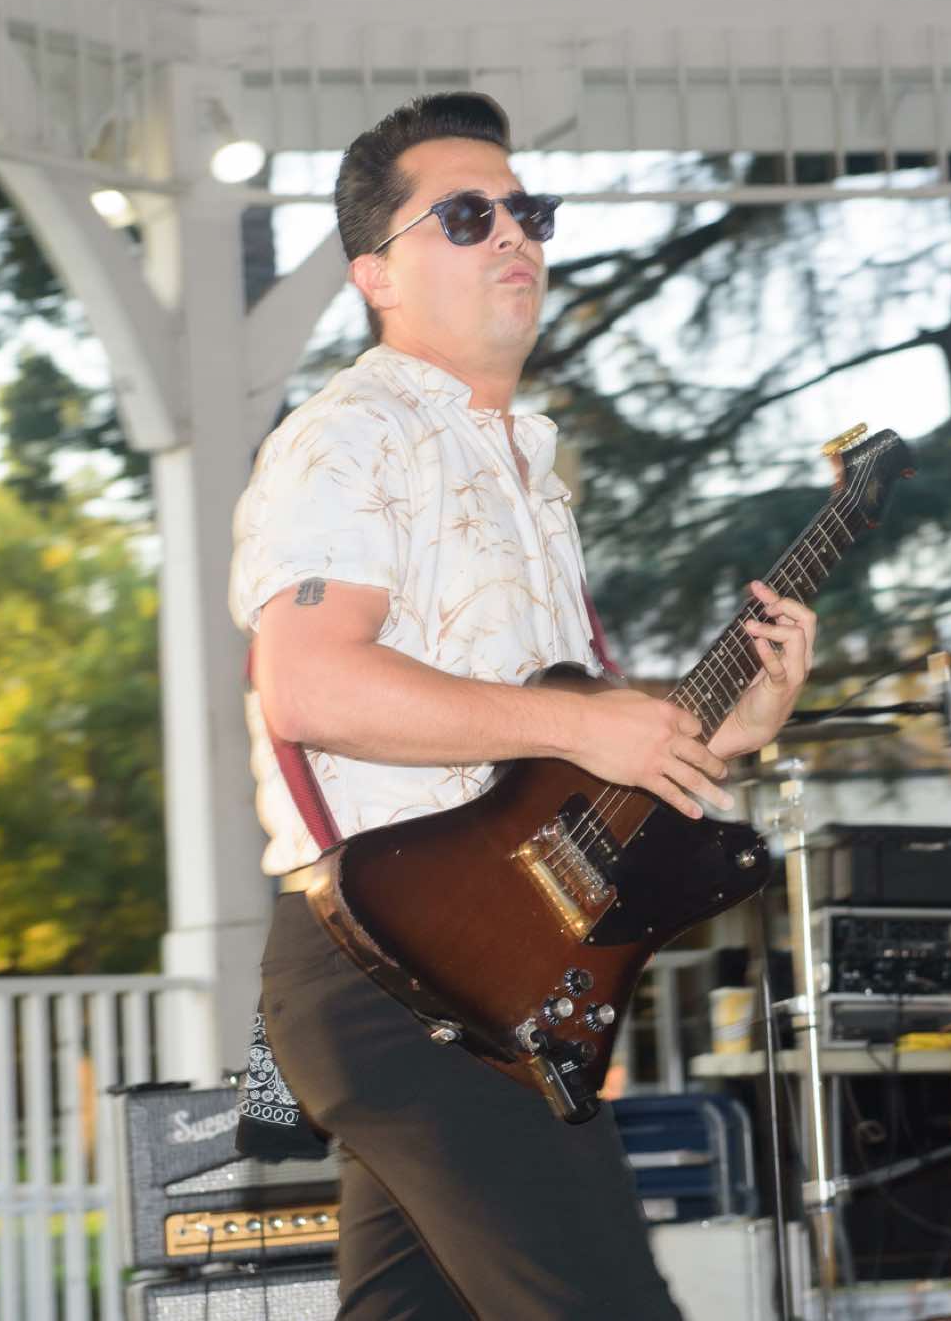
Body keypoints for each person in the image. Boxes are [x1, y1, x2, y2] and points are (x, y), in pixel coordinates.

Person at [228, 92, 818, 1320]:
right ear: (374, 275)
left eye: (525, 210)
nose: (512, 234)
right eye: (465, 215)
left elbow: (542, 753)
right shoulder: (350, 438)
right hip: (397, 970)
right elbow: (312, 685)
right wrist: (577, 723)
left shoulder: (522, 471)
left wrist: (729, 728)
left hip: (479, 971)